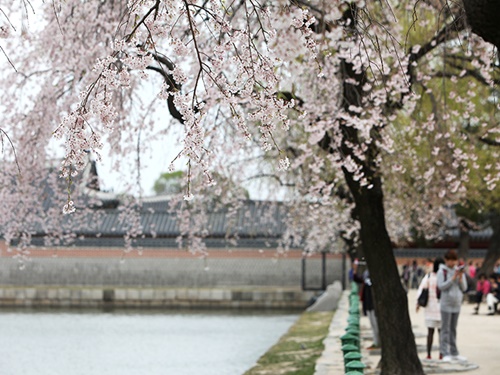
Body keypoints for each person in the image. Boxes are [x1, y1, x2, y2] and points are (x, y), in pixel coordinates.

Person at [437, 249, 468, 362]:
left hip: (456, 304)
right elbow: (441, 286)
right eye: (450, 260)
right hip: (446, 304)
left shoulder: (458, 271)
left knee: (453, 329)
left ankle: (454, 352)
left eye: (454, 260)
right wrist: (452, 279)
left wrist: (460, 278)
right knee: (445, 329)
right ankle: (444, 352)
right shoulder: (442, 272)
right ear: (446, 260)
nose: (452, 263)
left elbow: (464, 288)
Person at [416, 257, 445, 360]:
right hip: (442, 308)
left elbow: (421, 290)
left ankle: (429, 354)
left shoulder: (428, 277)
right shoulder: (444, 278)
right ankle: (441, 354)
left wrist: (418, 303)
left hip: (430, 308)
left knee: (430, 333)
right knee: (441, 333)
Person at [353, 268, 380, 349]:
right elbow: (357, 279)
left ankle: (378, 342)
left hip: (374, 306)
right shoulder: (365, 278)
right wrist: (354, 271)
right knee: (373, 325)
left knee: (376, 325)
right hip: (368, 305)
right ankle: (376, 342)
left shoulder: (376, 279)